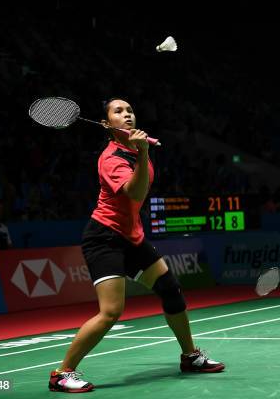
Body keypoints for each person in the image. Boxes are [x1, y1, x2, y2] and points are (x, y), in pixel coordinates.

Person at [49, 98, 224, 393]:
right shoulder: (111, 158)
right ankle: (61, 373)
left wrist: (141, 153)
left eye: (129, 110)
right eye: (118, 112)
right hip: (104, 237)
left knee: (170, 290)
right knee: (111, 311)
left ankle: (190, 356)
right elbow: (134, 193)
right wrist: (143, 154)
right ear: (107, 124)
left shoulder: (134, 150)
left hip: (132, 237)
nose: (127, 114)